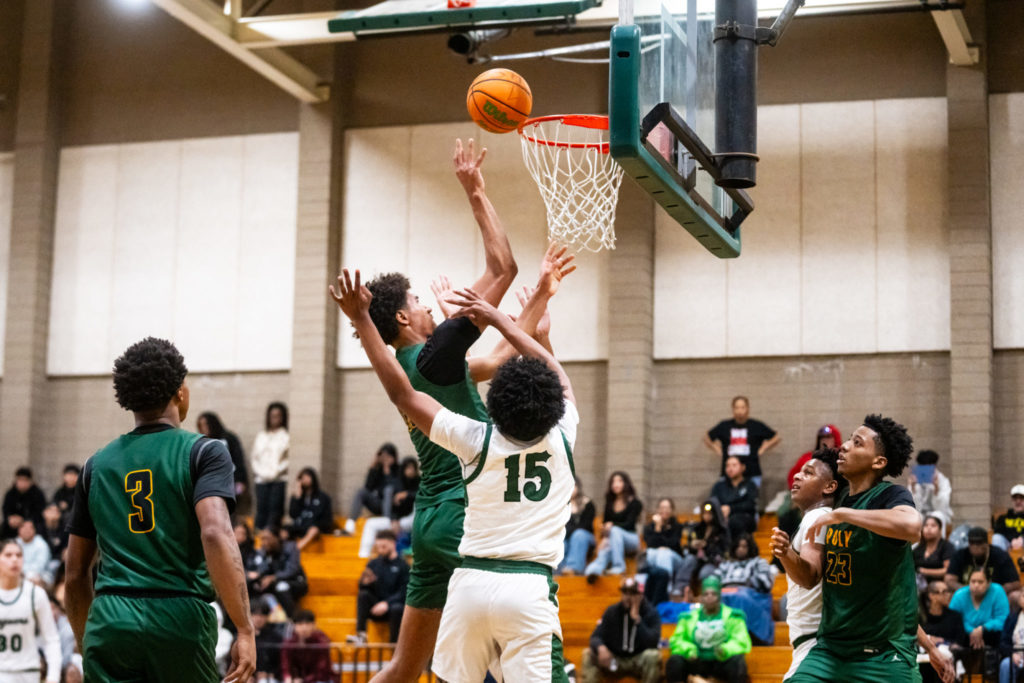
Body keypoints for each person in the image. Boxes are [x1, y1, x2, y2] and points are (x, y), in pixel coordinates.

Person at [331, 202, 569, 683]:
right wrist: (475, 189)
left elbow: (501, 356)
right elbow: (503, 268)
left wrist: (540, 298)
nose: (425, 305)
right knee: (507, 650)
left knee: (403, 667)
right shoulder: (436, 354)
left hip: (429, 521)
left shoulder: (423, 366)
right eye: (417, 301)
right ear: (402, 317)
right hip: (466, 514)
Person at [64, 337, 255, 683]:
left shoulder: (95, 466)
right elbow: (214, 532)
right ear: (181, 391)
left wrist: (87, 639)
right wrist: (244, 627)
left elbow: (75, 574)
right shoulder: (205, 451)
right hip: (178, 616)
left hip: (109, 618)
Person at [786, 414, 922, 683]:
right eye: (848, 439)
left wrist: (845, 515)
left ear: (878, 462)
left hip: (882, 655)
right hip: (830, 652)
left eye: (857, 443)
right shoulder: (840, 501)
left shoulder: (889, 496)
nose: (845, 446)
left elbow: (912, 526)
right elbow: (810, 576)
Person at [769, 447, 843, 680]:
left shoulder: (817, 517)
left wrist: (785, 553)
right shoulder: (821, 518)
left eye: (808, 473)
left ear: (829, 487)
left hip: (815, 643)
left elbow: (810, 576)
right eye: (799, 472)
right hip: (816, 642)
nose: (798, 476)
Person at [665, 575, 751, 683]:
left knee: (738, 662)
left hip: (721, 661)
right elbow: (677, 640)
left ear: (719, 596)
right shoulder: (688, 617)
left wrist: (725, 649)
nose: (709, 597)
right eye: (706, 594)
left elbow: (741, 641)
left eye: (713, 594)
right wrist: (689, 650)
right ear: (701, 597)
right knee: (675, 661)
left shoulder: (733, 616)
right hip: (697, 661)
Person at [0, 540, 62, 683]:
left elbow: (51, 639)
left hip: (28, 672)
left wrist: (53, 677)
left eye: (19, 555)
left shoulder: (36, 594)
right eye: (8, 555)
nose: (14, 559)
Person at [581, 577, 661, 683]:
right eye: (625, 593)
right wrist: (601, 647)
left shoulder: (651, 613)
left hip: (638, 660)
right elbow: (596, 636)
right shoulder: (612, 611)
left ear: (640, 595)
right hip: (614, 660)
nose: (628, 597)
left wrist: (637, 620)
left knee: (653, 656)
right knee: (588, 654)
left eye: (632, 593)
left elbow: (653, 642)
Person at [703, 396, 780, 488]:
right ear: (733, 409)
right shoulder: (724, 426)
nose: (740, 411)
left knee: (749, 500)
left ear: (747, 409)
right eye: (737, 408)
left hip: (752, 472)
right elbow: (707, 437)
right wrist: (717, 449)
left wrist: (763, 449)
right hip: (728, 474)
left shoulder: (756, 426)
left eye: (742, 407)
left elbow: (776, 437)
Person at [778, 425, 841, 537]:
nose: (824, 440)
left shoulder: (841, 459)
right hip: (806, 502)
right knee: (784, 513)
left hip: (826, 501)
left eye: (828, 437)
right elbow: (792, 475)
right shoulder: (808, 457)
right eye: (822, 437)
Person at [717, 533, 777, 645]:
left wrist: (744, 583)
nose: (741, 549)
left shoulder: (759, 562)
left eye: (744, 546)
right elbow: (714, 581)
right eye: (738, 546)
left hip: (750, 595)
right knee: (714, 596)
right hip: (726, 592)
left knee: (740, 596)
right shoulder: (726, 565)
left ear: (750, 548)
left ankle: (743, 633)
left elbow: (766, 583)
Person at [584, 471, 643, 582]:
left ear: (626, 483)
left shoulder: (635, 503)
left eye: (619, 481)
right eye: (613, 482)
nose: (616, 484)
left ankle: (619, 566)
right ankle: (593, 570)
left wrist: (612, 526)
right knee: (606, 548)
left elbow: (629, 524)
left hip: (631, 539)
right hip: (613, 539)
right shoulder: (610, 502)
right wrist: (604, 534)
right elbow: (606, 522)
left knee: (615, 531)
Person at [353, 530, 409, 644]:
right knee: (363, 595)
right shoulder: (373, 564)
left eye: (383, 546)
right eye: (378, 547)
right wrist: (365, 583)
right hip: (375, 607)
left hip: (393, 608)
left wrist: (387, 603)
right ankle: (361, 635)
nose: (380, 550)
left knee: (397, 608)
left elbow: (404, 591)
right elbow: (363, 588)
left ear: (393, 544)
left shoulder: (403, 565)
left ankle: (394, 645)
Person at [197, 412, 251, 517]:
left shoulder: (228, 438)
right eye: (201, 425)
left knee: (231, 513)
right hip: (210, 485)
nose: (203, 428)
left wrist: (241, 481)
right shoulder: (201, 442)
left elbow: (238, 459)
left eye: (205, 424)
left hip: (230, 481)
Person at [248, 527, 308, 617]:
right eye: (262, 539)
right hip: (274, 583)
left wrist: (273, 577)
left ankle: (293, 619)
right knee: (255, 586)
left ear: (277, 537)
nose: (264, 542)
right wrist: (259, 575)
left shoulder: (291, 547)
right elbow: (263, 569)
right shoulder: (264, 551)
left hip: (295, 581)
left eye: (267, 538)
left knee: (281, 587)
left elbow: (292, 570)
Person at [945, 526, 1021, 596]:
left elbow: (1015, 583)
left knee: (1015, 595)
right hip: (966, 596)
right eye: (972, 543)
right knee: (942, 589)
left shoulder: (999, 555)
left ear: (986, 543)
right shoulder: (961, 554)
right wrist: (967, 590)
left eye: (979, 543)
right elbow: (949, 579)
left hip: (994, 596)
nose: (975, 546)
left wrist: (993, 591)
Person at [345, 443, 400, 534]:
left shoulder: (398, 470)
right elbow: (367, 487)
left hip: (392, 505)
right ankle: (350, 525)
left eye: (387, 456)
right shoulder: (377, 469)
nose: (385, 459)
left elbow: (395, 487)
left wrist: (387, 471)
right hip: (378, 503)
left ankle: (385, 523)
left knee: (388, 490)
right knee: (361, 492)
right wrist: (373, 465)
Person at [950, 569, 1011, 651]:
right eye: (973, 581)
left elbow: (1003, 619)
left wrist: (983, 629)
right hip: (965, 637)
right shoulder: (959, 595)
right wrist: (972, 631)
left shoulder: (997, 591)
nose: (976, 585)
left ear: (989, 583)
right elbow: (952, 620)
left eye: (980, 582)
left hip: (992, 636)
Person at [252, 401, 290, 531]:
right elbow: (255, 458)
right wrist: (261, 472)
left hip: (278, 478)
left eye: (278, 415)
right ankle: (258, 533)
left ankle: (271, 533)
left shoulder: (286, 436)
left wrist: (276, 471)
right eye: (272, 415)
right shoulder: (261, 436)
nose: (275, 418)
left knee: (275, 508)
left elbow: (288, 459)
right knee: (261, 507)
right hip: (261, 478)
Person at [919, 581, 965, 683]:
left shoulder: (955, 616)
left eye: (948, 591)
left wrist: (942, 641)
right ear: (932, 596)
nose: (948, 595)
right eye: (943, 592)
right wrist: (929, 639)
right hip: (923, 659)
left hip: (948, 656)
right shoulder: (920, 618)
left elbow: (960, 641)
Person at [641, 497, 686, 592]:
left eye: (667, 508)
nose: (664, 510)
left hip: (675, 558)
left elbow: (673, 544)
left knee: (664, 554)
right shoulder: (649, 527)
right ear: (657, 510)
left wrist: (663, 546)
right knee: (649, 553)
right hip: (655, 555)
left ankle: (666, 588)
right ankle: (646, 588)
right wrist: (658, 527)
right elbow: (651, 544)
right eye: (662, 508)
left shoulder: (677, 526)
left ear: (672, 510)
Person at [686, 499, 731, 590]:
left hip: (713, 561)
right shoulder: (697, 528)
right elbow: (690, 545)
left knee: (705, 573)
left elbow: (723, 550)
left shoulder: (722, 531)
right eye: (705, 513)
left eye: (709, 513)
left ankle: (705, 596)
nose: (706, 516)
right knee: (688, 561)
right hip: (698, 559)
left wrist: (707, 546)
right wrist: (693, 545)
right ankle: (680, 590)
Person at [710, 456, 759, 539]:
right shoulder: (719, 486)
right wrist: (720, 510)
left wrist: (730, 509)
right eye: (727, 466)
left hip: (744, 518)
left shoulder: (750, 485)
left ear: (743, 467)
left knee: (735, 522)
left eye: (734, 465)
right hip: (722, 517)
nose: (730, 469)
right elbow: (712, 502)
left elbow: (750, 505)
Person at [286, 467, 334, 551]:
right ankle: (282, 550)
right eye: (302, 478)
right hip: (300, 526)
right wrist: (297, 498)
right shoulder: (297, 496)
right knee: (283, 530)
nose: (304, 480)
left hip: (314, 526)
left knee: (313, 530)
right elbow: (293, 514)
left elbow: (327, 519)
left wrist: (318, 524)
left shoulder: (323, 497)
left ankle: (297, 548)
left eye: (307, 476)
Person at [280, 610, 331, 683]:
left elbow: (321, 670)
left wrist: (303, 680)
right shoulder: (289, 643)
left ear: (314, 625)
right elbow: (285, 665)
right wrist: (288, 677)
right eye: (300, 624)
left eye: (307, 624)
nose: (304, 628)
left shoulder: (321, 642)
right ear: (294, 626)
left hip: (319, 680)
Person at [560, 477, 596, 576]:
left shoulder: (587, 504)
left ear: (578, 487)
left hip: (586, 537)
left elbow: (586, 525)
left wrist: (571, 530)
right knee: (561, 540)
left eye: (574, 486)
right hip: (567, 537)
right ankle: (560, 571)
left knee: (578, 535)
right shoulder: (561, 505)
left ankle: (574, 569)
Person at [909, 450, 953, 524]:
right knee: (915, 517)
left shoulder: (943, 481)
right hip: (921, 514)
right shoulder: (916, 479)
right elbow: (914, 507)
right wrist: (913, 488)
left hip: (938, 513)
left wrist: (936, 488)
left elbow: (941, 508)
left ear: (934, 466)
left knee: (937, 516)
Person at [2, 467, 47, 537]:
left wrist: (24, 520)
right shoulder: (10, 493)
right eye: (20, 480)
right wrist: (10, 518)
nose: (22, 483)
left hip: (32, 525)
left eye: (25, 480)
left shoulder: (37, 494)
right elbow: (5, 510)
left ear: (30, 481)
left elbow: (40, 513)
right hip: (12, 526)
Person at [915, 512, 954, 589]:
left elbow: (947, 570)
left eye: (933, 525)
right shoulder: (918, 549)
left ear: (940, 530)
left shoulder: (946, 547)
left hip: (941, 586)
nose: (929, 528)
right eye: (926, 525)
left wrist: (924, 571)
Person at [252, 598, 285, 683]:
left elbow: (282, 661)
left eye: (262, 615)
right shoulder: (241, 636)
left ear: (267, 617)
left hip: (270, 677)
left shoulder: (276, 637)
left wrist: (271, 673)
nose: (258, 618)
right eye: (255, 614)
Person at [999, 588, 1024, 683]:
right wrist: (1012, 654)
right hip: (1017, 656)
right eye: (1023, 596)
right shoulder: (1012, 618)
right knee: (1005, 665)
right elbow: (1003, 642)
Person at [16, 518, 51, 584]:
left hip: (39, 575)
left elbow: (40, 567)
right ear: (19, 530)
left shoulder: (41, 544)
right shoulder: (15, 542)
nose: (26, 530)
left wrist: (22, 572)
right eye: (23, 528)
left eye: (30, 528)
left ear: (34, 530)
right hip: (18, 573)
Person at [993, 484, 1024, 553]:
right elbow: (998, 531)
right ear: (1012, 500)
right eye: (1015, 498)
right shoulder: (1003, 518)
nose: (1018, 501)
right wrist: (1012, 539)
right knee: (996, 538)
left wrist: (1022, 539)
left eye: (1021, 498)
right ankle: (1000, 562)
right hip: (1008, 543)